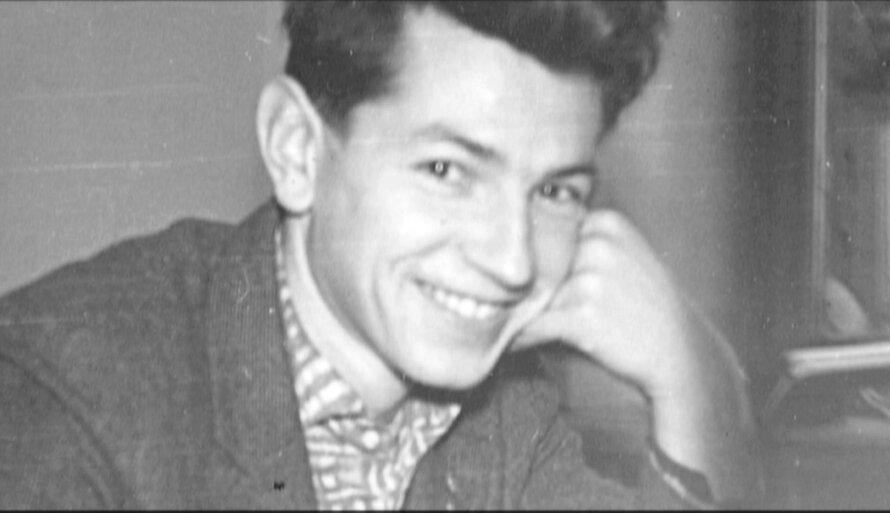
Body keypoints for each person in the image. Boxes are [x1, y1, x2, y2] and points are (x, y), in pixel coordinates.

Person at [0, 1, 756, 509]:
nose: (513, 261)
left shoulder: (508, 409)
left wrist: (696, 381)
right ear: (296, 150)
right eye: (446, 170)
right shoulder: (60, 397)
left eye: (555, 191)